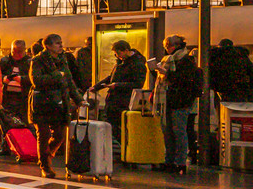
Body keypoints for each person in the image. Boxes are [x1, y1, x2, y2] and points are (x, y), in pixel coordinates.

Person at [30, 33, 78, 177]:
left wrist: (78, 99)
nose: (61, 46)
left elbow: (69, 81)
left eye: (61, 42)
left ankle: (46, 155)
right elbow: (36, 81)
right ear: (48, 46)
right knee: (43, 135)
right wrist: (57, 75)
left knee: (60, 135)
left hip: (59, 102)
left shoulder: (63, 59)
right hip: (42, 103)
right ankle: (45, 165)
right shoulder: (37, 61)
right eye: (58, 43)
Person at [152, 34, 201, 175]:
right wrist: (156, 72)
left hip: (181, 101)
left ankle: (180, 162)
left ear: (177, 46)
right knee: (168, 132)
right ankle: (169, 161)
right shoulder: (168, 59)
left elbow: (183, 80)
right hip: (168, 100)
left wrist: (166, 74)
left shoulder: (186, 60)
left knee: (179, 132)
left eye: (169, 46)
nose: (167, 49)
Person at [92, 39, 146, 160]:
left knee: (119, 126)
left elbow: (138, 83)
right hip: (114, 100)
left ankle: (128, 150)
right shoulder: (121, 62)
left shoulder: (137, 64)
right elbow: (110, 77)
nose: (117, 56)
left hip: (124, 101)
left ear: (126, 51)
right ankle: (125, 149)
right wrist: (96, 87)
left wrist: (117, 85)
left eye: (118, 53)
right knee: (113, 125)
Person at [0, 39, 31, 126]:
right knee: (7, 121)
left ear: (25, 50)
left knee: (24, 123)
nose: (16, 54)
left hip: (23, 98)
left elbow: (35, 78)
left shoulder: (30, 62)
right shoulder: (4, 61)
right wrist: (4, 78)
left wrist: (22, 79)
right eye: (14, 51)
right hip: (7, 97)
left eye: (19, 52)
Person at [210, 38, 253, 103]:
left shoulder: (215, 56)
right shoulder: (241, 55)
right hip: (241, 88)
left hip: (223, 89)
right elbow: (250, 70)